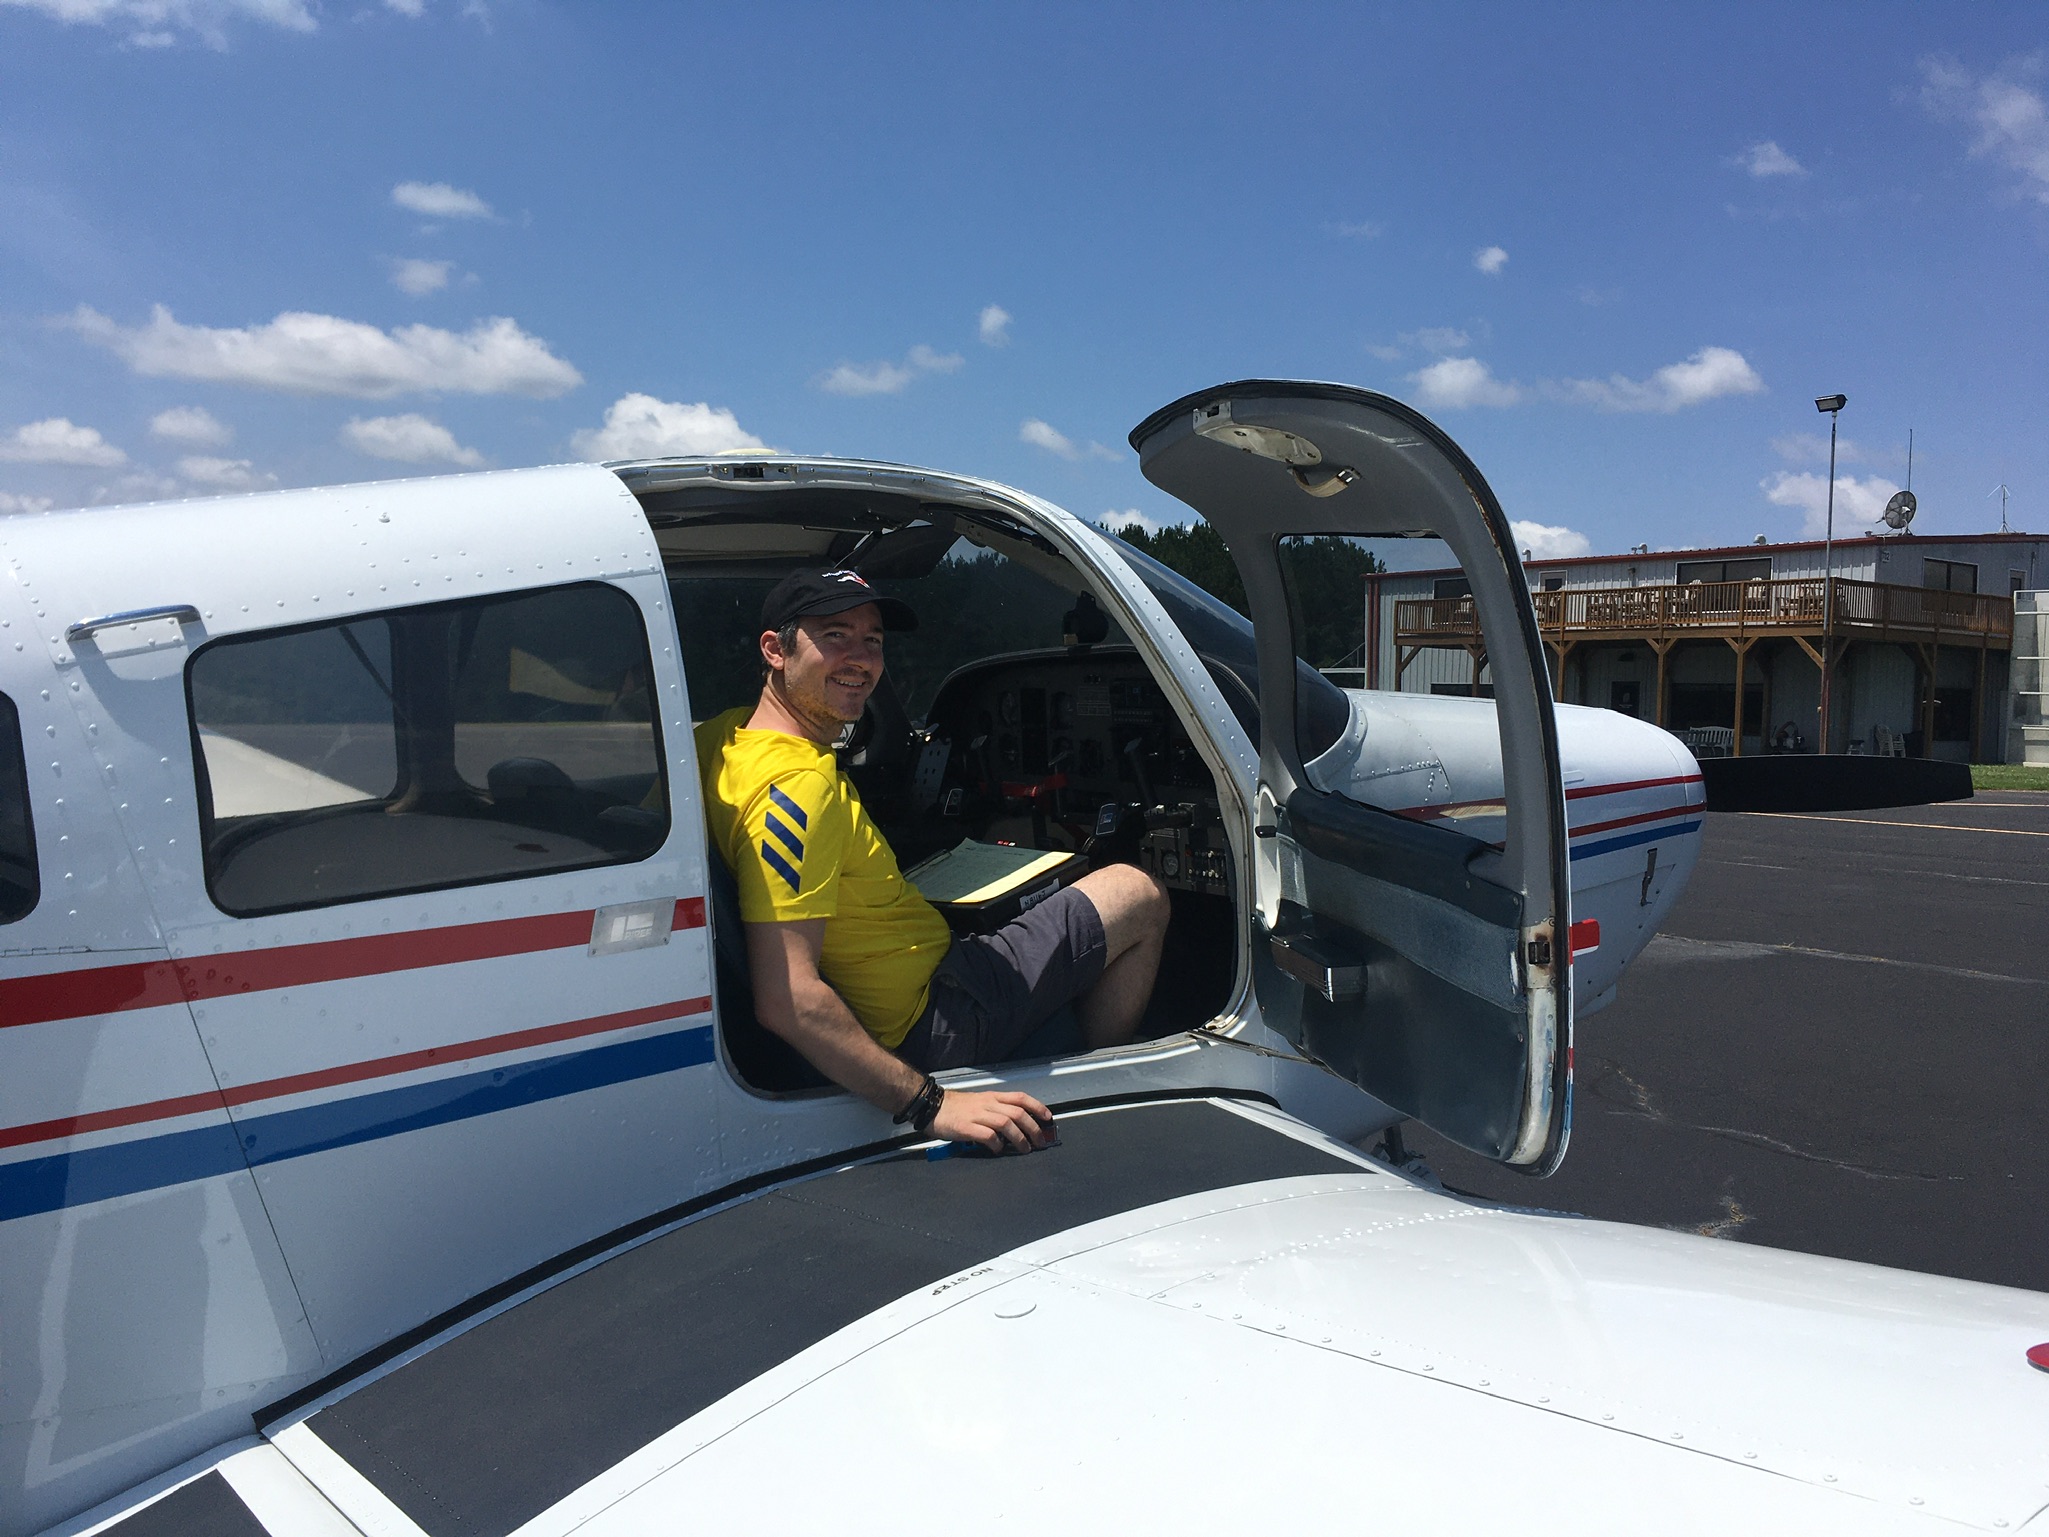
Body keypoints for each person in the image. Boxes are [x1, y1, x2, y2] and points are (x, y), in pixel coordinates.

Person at [696, 568, 1170, 1155]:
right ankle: (1093, 1088)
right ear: (775, 648)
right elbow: (787, 999)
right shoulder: (797, 791)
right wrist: (931, 1103)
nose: (862, 659)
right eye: (836, 636)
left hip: (918, 968)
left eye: (873, 641)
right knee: (1138, 891)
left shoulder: (721, 738)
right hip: (937, 1021)